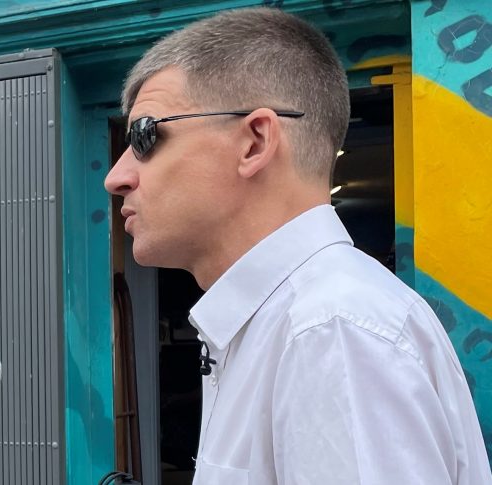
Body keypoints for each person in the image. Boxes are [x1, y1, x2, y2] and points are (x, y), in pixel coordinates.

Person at [104, 7, 491, 484]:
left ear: (255, 142)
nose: (116, 176)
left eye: (145, 136)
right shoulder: (293, 324)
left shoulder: (329, 332)